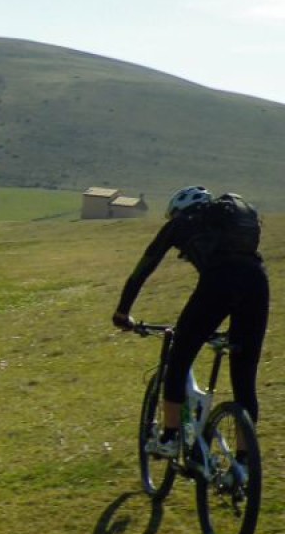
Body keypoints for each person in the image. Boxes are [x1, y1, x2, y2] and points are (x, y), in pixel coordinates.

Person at [112, 185, 269, 459]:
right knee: (244, 380)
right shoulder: (231, 224)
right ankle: (243, 466)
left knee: (179, 358)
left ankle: (170, 438)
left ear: (178, 211)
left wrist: (123, 313)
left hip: (218, 284)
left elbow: (143, 269)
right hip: (257, 282)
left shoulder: (181, 224)